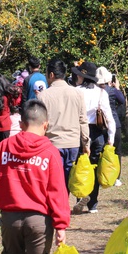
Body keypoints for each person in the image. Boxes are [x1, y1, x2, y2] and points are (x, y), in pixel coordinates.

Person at [0, 99, 70, 254]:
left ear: (21, 124)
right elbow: (57, 191)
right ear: (46, 125)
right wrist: (61, 225)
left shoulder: (4, 147)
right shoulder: (51, 153)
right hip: (40, 222)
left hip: (10, 220)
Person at [37, 58, 90, 189]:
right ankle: (63, 205)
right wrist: (86, 143)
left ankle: (56, 207)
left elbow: (39, 124)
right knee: (67, 180)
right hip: (73, 144)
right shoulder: (77, 93)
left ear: (51, 75)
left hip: (52, 144)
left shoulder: (43, 96)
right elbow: (83, 120)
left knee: (53, 182)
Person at [71, 61, 115, 214]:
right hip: (97, 134)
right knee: (94, 167)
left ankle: (81, 196)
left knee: (80, 167)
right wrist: (111, 138)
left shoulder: (75, 91)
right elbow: (109, 119)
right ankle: (93, 204)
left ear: (82, 76)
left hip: (79, 132)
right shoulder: (101, 93)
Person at [96, 66, 126, 186]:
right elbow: (122, 100)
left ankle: (100, 175)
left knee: (99, 150)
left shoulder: (95, 90)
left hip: (99, 124)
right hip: (114, 123)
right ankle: (116, 177)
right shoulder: (112, 91)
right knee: (116, 151)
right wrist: (117, 87)